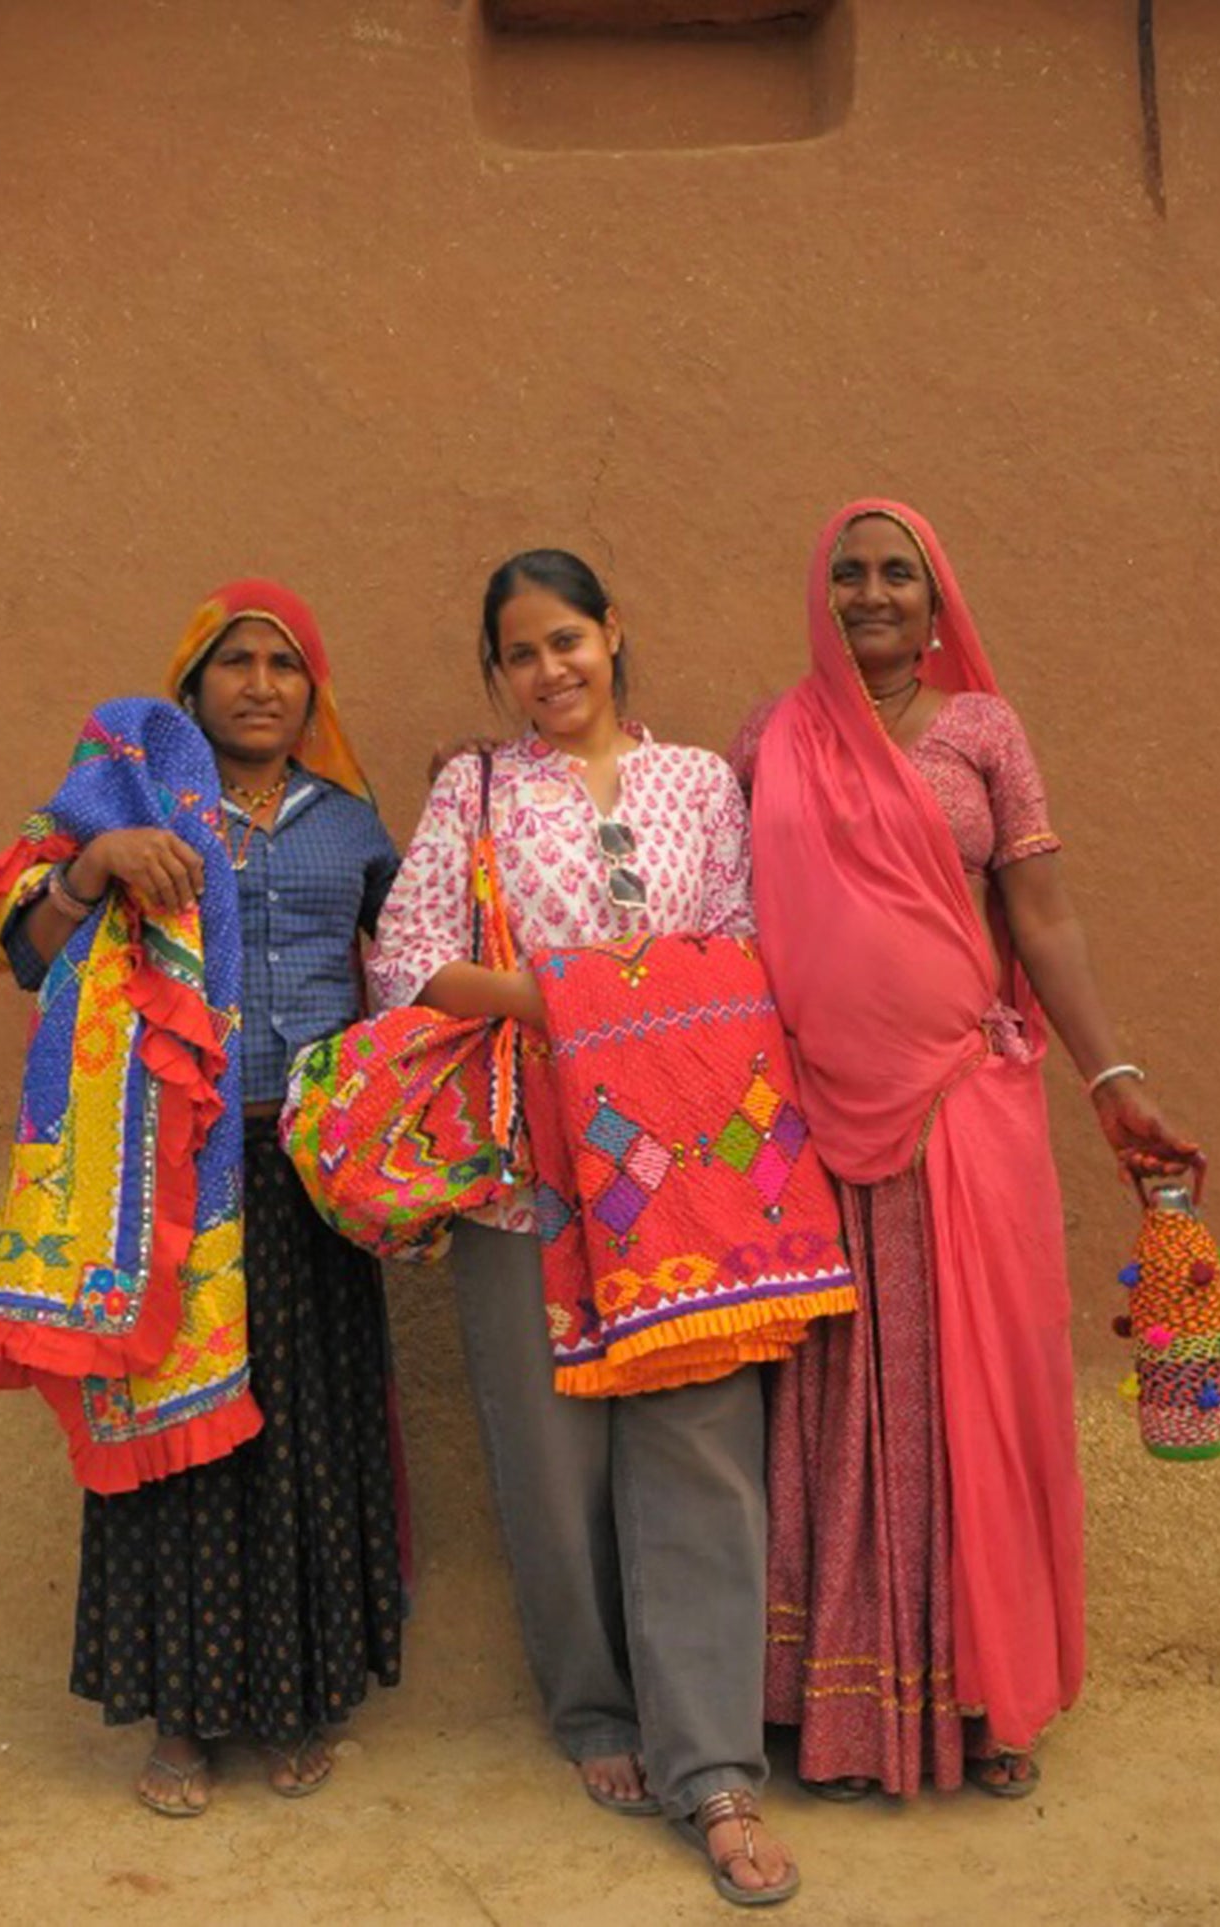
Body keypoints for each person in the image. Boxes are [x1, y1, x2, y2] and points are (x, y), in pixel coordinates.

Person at [0, 580, 405, 1816]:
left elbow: (395, 973)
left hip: (311, 1180)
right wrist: (92, 868)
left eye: (286, 663)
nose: (262, 684)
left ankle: (296, 1695)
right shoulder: (125, 809)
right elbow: (21, 955)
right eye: (235, 660)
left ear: (311, 690)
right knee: (175, 1436)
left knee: (306, 1439)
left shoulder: (357, 826)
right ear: (192, 682)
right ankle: (180, 1715)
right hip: (168, 1182)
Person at [737, 500, 1199, 1801]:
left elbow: (1042, 920)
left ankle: (991, 1695)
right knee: (838, 1407)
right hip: (815, 1124)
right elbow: (692, 890)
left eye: (900, 573)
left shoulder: (984, 733)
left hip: (961, 1107)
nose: (872, 593)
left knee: (977, 1393)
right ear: (820, 597)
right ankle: (836, 1710)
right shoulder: (768, 740)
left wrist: (1111, 1074)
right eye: (849, 573)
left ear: (939, 605)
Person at [367, 550, 801, 1905]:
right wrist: (567, 1003)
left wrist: (627, 1016)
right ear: (496, 675)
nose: (550, 671)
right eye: (520, 655)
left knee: (703, 1440)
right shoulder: (473, 790)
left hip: (685, 1161)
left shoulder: (698, 786)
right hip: (523, 1161)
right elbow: (407, 952)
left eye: (568, 640)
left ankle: (712, 1756)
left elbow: (741, 938)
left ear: (615, 631)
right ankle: (598, 1709)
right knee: (550, 1448)